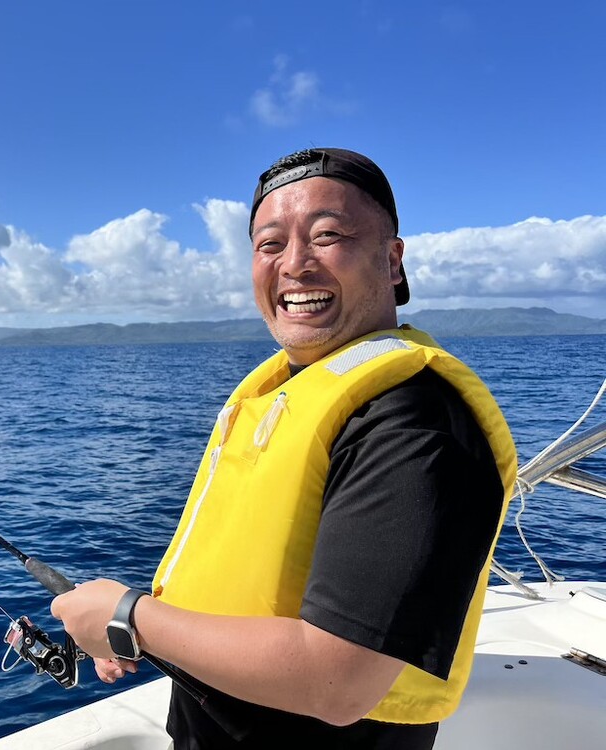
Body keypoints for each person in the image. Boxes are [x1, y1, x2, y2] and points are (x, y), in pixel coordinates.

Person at [51, 148, 517, 749]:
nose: (295, 264)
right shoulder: (290, 392)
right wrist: (132, 631)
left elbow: (339, 680)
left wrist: (128, 616)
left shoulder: (414, 426)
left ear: (393, 261)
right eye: (270, 244)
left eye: (328, 236)